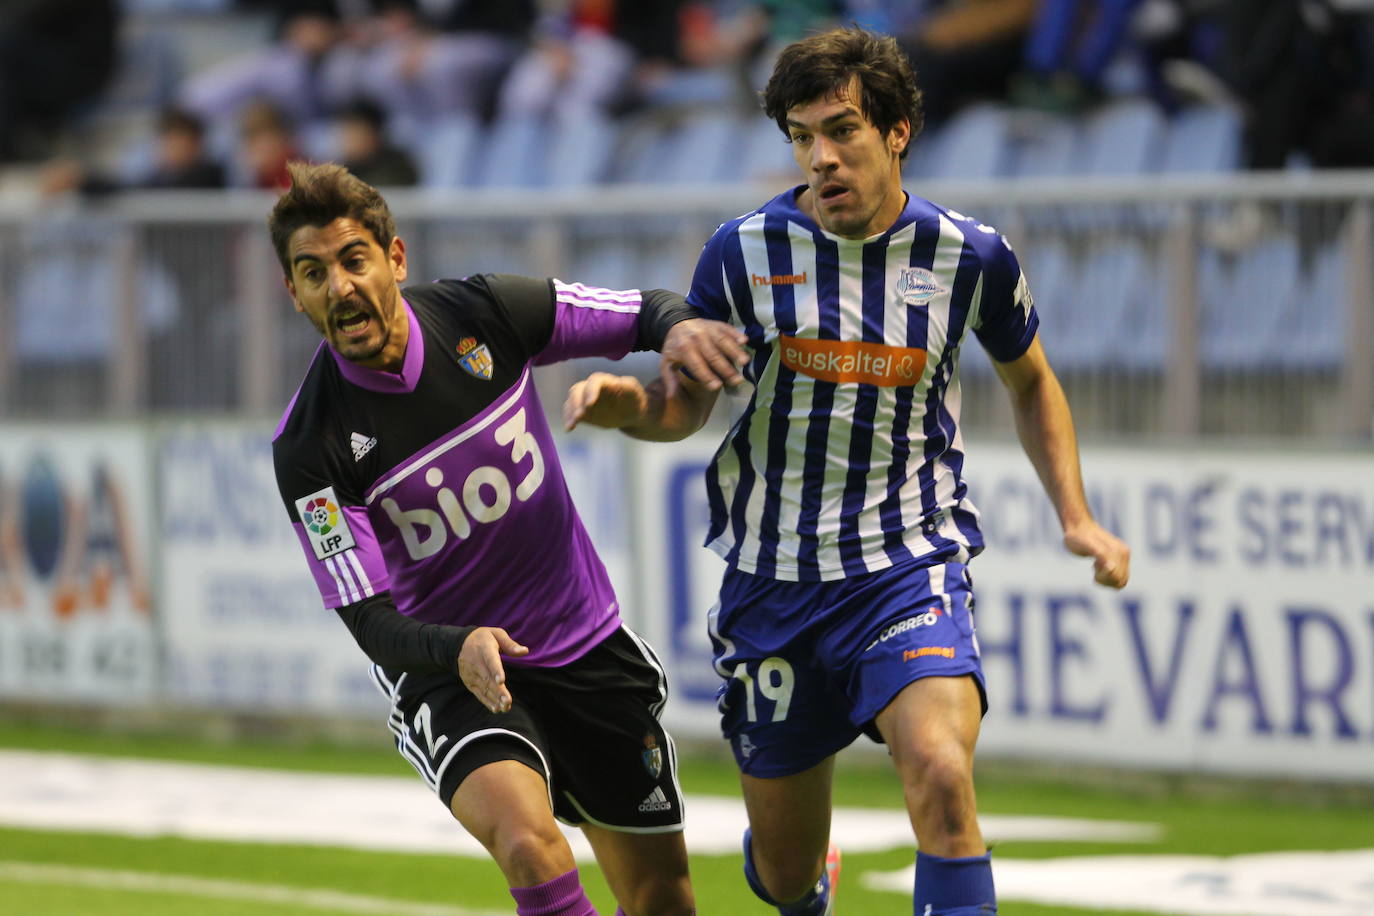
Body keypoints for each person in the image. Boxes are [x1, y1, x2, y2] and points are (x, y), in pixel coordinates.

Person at [563, 27, 1131, 916]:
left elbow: (1034, 384)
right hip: (774, 585)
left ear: (898, 130)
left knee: (943, 777)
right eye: (800, 136)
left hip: (907, 565)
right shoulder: (742, 252)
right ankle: (798, 871)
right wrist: (624, 405)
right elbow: (684, 405)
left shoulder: (969, 257)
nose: (820, 157)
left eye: (842, 130)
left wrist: (1077, 514)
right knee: (786, 878)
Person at [269, 161, 739, 916]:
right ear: (294, 294)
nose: (340, 287)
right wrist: (454, 647)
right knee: (529, 844)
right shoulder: (307, 448)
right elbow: (366, 618)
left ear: (394, 257)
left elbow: (641, 311)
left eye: (354, 260)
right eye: (313, 272)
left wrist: (682, 326)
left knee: (662, 901)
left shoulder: (484, 311)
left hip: (584, 642)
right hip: (451, 669)